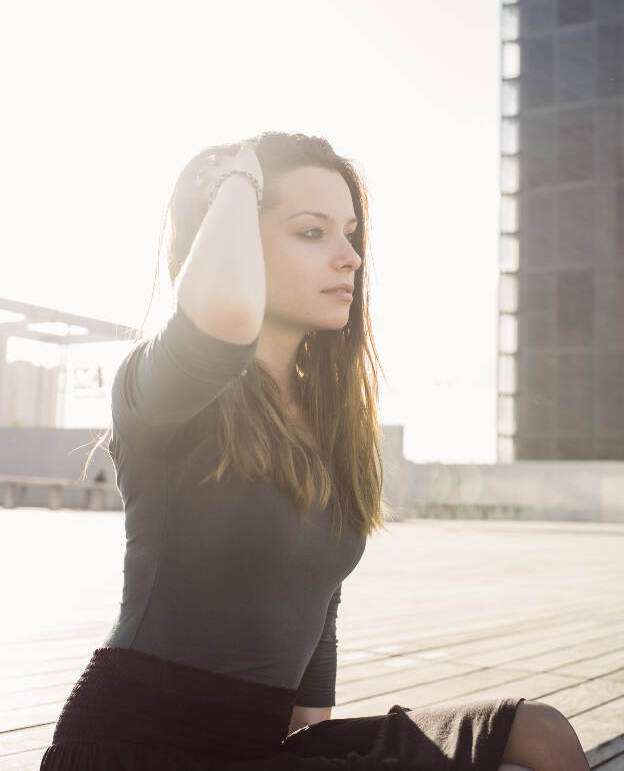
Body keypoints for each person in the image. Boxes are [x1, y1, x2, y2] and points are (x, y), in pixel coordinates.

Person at [39, 132, 590, 770]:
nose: (350, 257)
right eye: (311, 232)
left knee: (538, 733)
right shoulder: (162, 389)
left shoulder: (332, 420)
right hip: (138, 746)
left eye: (351, 233)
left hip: (259, 744)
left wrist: (314, 729)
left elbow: (318, 597)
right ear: (235, 235)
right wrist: (240, 178)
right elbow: (222, 317)